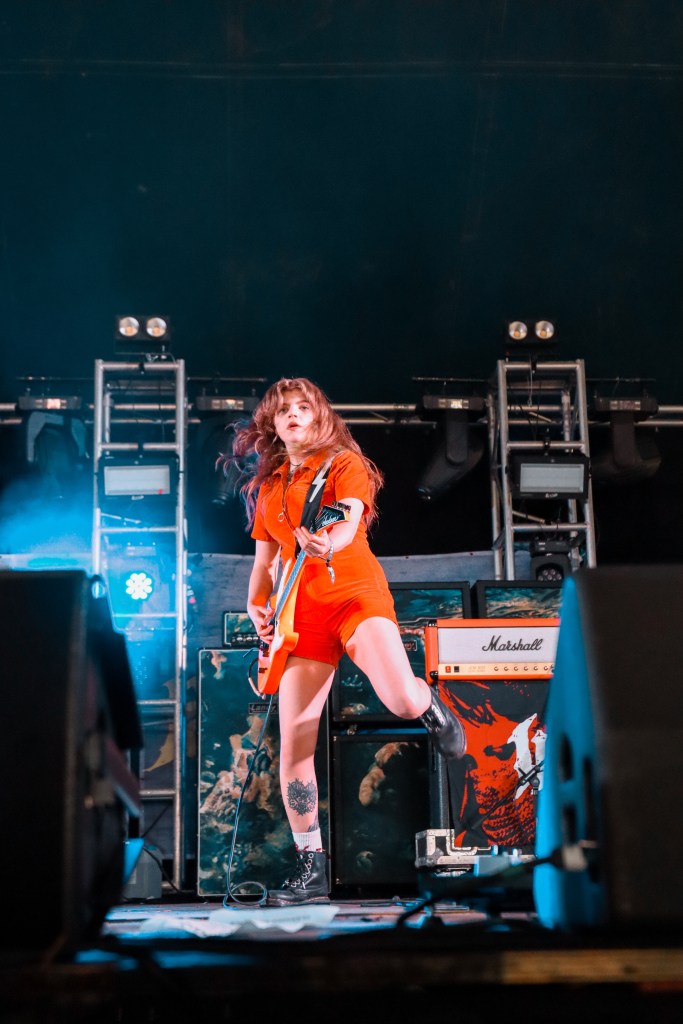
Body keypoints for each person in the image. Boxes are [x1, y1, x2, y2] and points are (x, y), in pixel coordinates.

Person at [224, 377, 466, 906]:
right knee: (295, 742)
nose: (293, 415)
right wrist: (256, 602)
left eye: (302, 407)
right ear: (273, 423)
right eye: (283, 409)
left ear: (319, 417)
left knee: (400, 700)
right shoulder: (268, 489)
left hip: (354, 593)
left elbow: (349, 520)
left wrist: (326, 543)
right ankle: (310, 867)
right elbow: (265, 562)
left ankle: (431, 706)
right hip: (299, 614)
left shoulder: (342, 464)